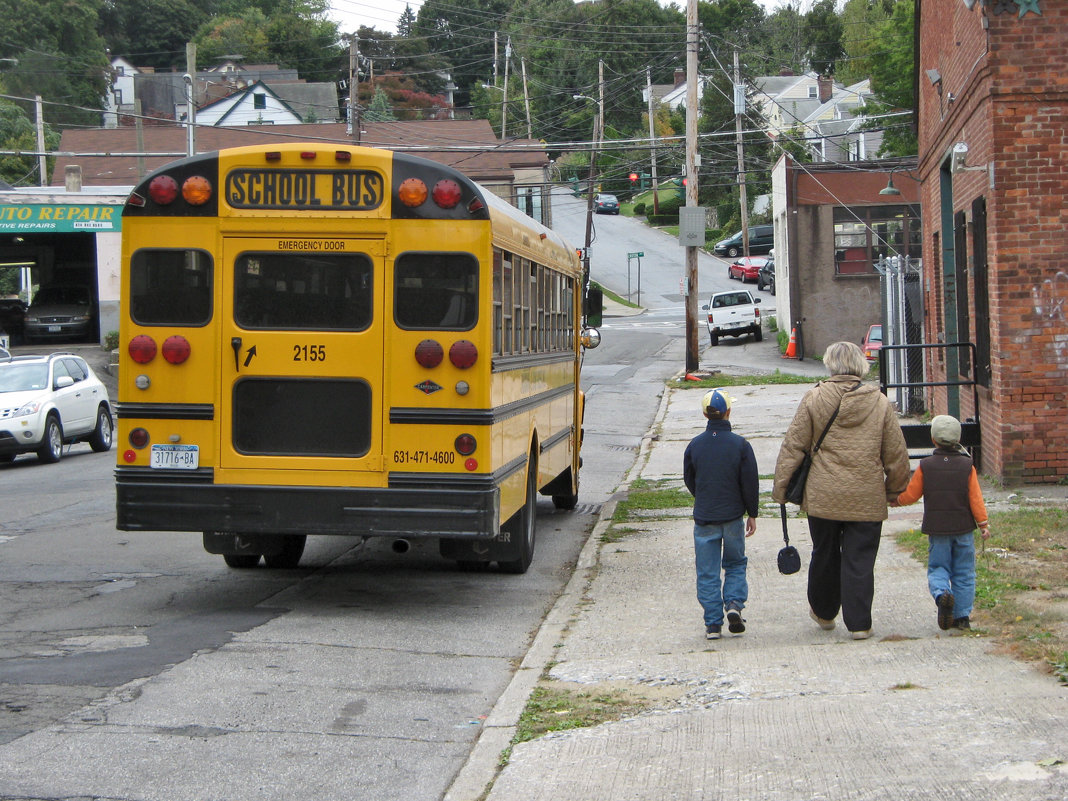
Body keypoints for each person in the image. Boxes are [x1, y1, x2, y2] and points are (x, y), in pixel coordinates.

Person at [772, 341, 910, 640]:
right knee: (860, 559)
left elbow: (793, 446)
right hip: (866, 494)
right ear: (861, 364)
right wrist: (895, 488)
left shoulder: (814, 398)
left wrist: (781, 489)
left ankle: (823, 612)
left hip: (823, 494)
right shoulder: (880, 402)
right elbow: (896, 452)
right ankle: (860, 624)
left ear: (830, 364)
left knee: (825, 552)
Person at [892, 415, 990, 631]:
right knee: (964, 572)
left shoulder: (926, 466)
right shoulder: (967, 466)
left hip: (937, 530)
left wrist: (895, 500)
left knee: (938, 567)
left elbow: (912, 494)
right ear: (958, 440)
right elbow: (976, 499)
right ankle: (962, 617)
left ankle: (942, 594)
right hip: (963, 528)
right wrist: (983, 524)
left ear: (933, 439)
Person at [683, 388, 759, 640]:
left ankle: (713, 623)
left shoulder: (694, 446)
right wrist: (752, 513)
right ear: (729, 411)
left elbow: (690, 479)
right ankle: (734, 605)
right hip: (733, 516)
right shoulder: (740, 445)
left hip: (705, 516)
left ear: (705, 414)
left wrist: (702, 496)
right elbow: (750, 482)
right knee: (736, 562)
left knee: (707, 570)